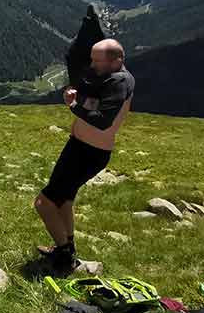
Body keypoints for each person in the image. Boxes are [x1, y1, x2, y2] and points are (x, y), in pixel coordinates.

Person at [35, 38, 135, 273]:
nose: (93, 64)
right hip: (81, 147)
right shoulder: (109, 76)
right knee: (64, 201)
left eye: (98, 60)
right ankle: (67, 245)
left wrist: (73, 106)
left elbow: (102, 121)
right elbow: (94, 97)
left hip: (89, 152)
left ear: (117, 60)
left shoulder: (119, 82)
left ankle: (64, 256)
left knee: (44, 203)